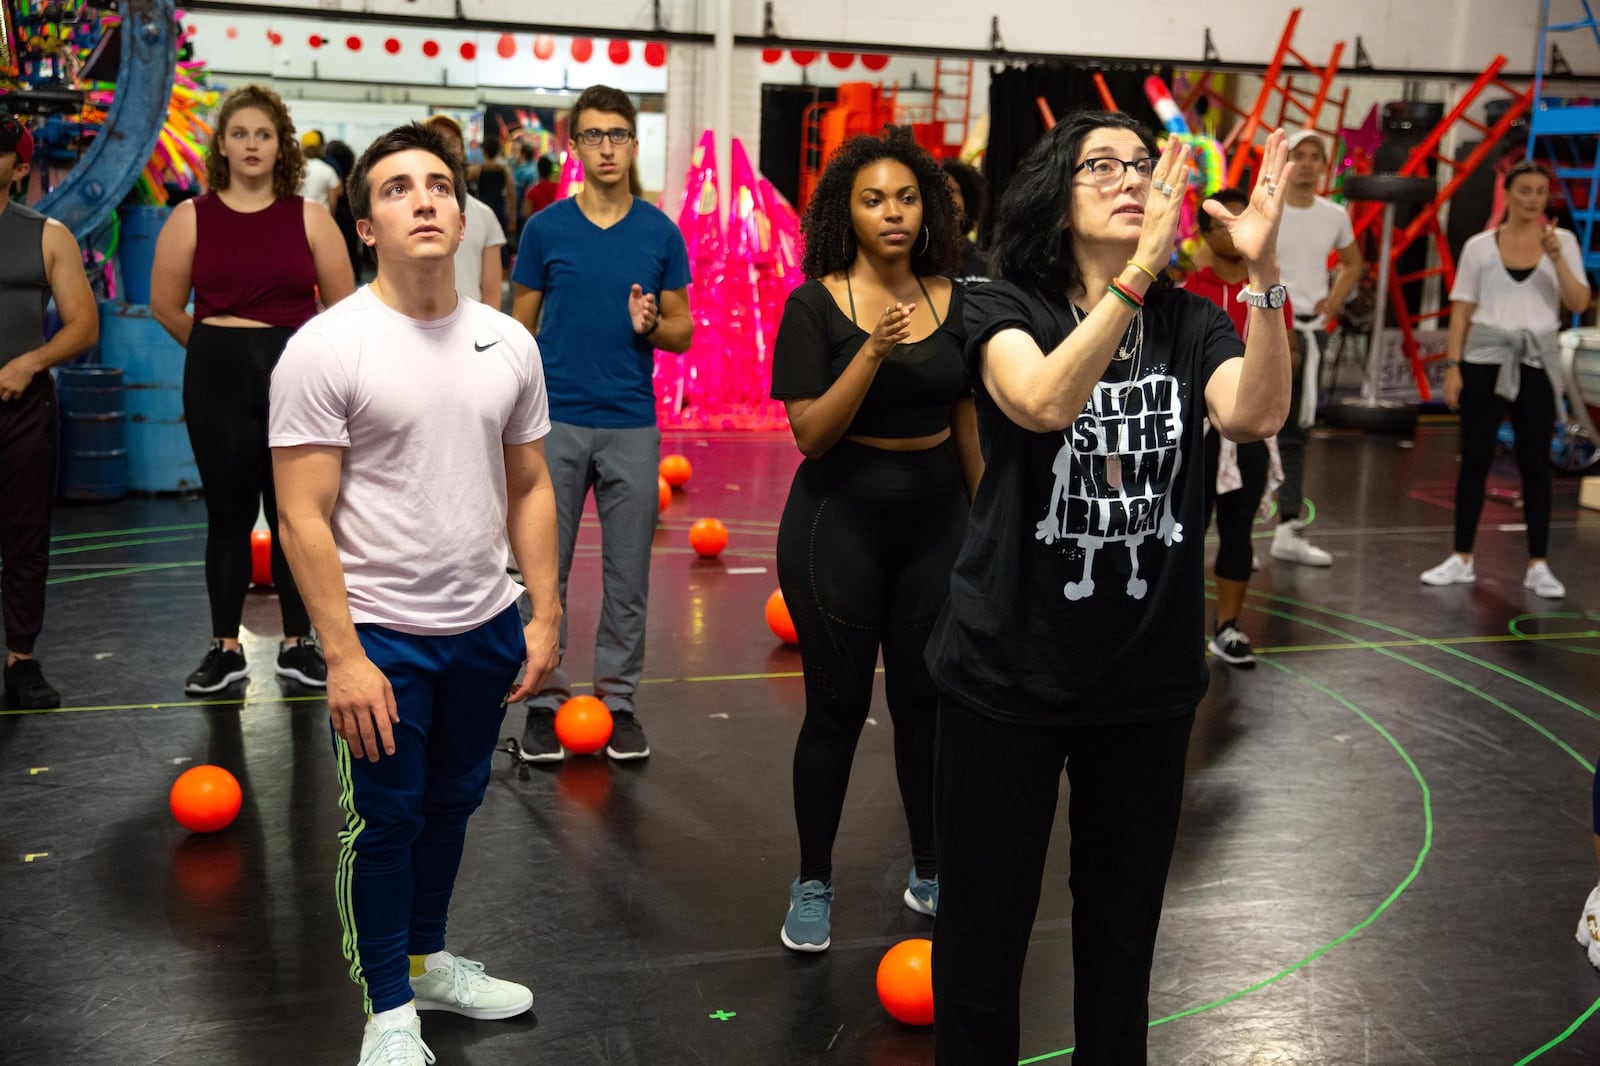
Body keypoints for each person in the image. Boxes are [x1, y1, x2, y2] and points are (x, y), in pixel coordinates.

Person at [925, 113, 1293, 1065]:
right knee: (982, 940)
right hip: (1005, 675)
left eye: (1144, 165)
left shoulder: (1193, 321)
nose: (1133, 180)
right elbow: (1042, 401)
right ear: (1057, 193)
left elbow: (1255, 413)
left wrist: (1259, 275)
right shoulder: (998, 300)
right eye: (1104, 166)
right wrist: (1140, 274)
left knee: (1122, 943)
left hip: (1144, 684)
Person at [269, 121, 562, 1066]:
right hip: (383, 636)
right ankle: (388, 1008)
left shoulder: (506, 340)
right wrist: (343, 656)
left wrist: (544, 611)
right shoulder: (327, 348)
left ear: (464, 209)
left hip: (484, 621)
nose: (426, 200)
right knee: (386, 820)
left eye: (439, 184)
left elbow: (530, 484)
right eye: (398, 190)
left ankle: (430, 962)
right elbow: (301, 518)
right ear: (365, 227)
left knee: (454, 803)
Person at [769, 126, 982, 952]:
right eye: (872, 199)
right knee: (835, 708)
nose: (892, 212)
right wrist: (874, 349)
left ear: (926, 207)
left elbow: (966, 422)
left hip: (935, 519)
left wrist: (987, 524)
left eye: (905, 197)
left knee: (925, 705)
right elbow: (813, 434)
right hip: (839, 519)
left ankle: (930, 868)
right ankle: (813, 880)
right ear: (845, 214)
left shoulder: (957, 298)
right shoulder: (815, 304)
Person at [150, 84, 355, 695]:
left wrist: (289, 360)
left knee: (299, 514)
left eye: (263, 134)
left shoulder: (310, 217)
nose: (251, 144)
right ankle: (225, 649)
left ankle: (299, 645)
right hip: (215, 375)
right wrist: (221, 351)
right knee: (228, 517)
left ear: (281, 145)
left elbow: (344, 309)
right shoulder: (191, 216)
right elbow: (164, 305)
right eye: (239, 133)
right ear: (222, 145)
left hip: (293, 379)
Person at [510, 84, 692, 762]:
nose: (607, 147)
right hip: (552, 422)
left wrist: (654, 325)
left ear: (634, 144)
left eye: (618, 134)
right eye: (594, 135)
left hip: (631, 424)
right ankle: (543, 698)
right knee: (542, 571)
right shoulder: (545, 230)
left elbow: (682, 330)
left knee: (627, 575)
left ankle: (618, 701)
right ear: (575, 144)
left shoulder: (659, 232)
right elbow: (517, 331)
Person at [1420, 161, 1589, 598]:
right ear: (1508, 194)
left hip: (1536, 359)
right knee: (1474, 459)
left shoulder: (1563, 242)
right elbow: (1461, 308)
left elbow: (1579, 300)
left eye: (1540, 192)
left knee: (1536, 464)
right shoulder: (1479, 246)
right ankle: (1461, 557)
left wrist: (1555, 256)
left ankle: (1538, 564)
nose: (1533, 199)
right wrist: (1454, 366)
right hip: (1485, 356)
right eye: (1525, 190)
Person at [0, 115, 99, 710]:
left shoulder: (47, 234)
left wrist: (30, 362)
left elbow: (84, 325)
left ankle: (21, 661)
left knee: (26, 537)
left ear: (18, 166)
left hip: (20, 407)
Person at [1184, 187, 1298, 668]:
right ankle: (1177, 628)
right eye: (1222, 225)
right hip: (1194, 430)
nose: (1233, 232)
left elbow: (1283, 356)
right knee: (1183, 531)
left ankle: (1228, 628)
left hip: (1248, 432)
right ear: (1207, 235)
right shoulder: (1188, 292)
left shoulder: (1272, 293)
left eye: (1240, 221)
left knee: (1238, 529)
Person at [1270, 129, 1363, 567]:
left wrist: (1335, 297)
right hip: (1263, 328)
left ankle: (1289, 527)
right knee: (1240, 428)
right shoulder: (1270, 207)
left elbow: (1353, 261)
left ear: (1325, 164)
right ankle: (1231, 530)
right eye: (1299, 155)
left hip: (1309, 328)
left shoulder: (1333, 215)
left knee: (1295, 430)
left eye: (1314, 156)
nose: (1306, 163)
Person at [421, 115, 506, 308]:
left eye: (452, 142)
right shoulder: (404, 212)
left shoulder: (484, 215)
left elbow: (492, 297)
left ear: (462, 151)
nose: (444, 147)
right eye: (434, 140)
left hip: (470, 331)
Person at [941, 158, 992, 285]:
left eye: (952, 190)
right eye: (939, 190)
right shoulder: (913, 266)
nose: (945, 197)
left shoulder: (988, 266)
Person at [473, 135, 513, 268]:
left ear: (484, 151)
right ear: (497, 151)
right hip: (499, 208)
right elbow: (510, 194)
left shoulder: (477, 170)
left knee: (481, 243)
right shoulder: (504, 170)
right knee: (500, 243)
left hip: (481, 209)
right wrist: (512, 216)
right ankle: (504, 279)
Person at [298, 129, 342, 213]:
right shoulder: (328, 170)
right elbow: (333, 202)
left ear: (302, 147)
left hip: (298, 216)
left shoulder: (294, 170)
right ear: (320, 147)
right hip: (321, 217)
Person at [522, 155, 559, 221]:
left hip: (538, 227)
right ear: (551, 171)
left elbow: (526, 213)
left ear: (538, 170)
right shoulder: (559, 189)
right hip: (555, 225)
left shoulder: (532, 191)